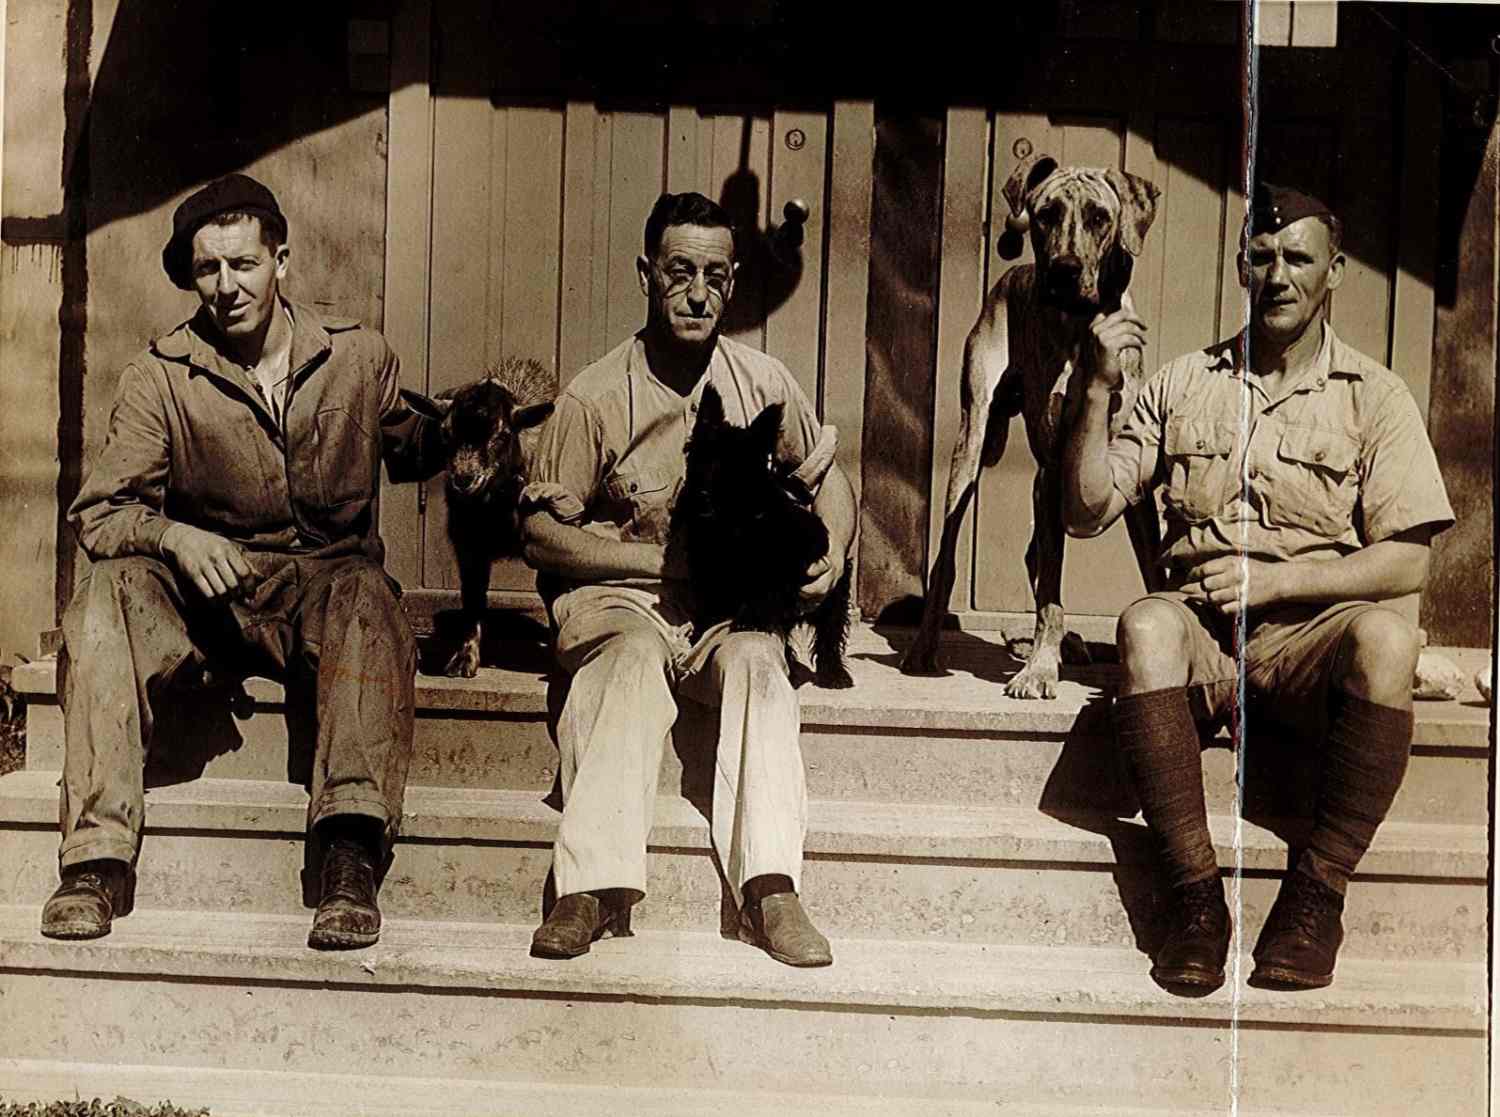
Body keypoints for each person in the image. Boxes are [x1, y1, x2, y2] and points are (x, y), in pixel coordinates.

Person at [1062, 184, 1454, 991]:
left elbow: (1408, 560)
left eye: (1299, 258)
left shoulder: (1373, 397)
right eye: (1263, 257)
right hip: (1205, 633)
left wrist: (1280, 580)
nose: (1279, 275)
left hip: (1312, 641)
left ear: (1335, 271)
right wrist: (1097, 389)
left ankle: (1317, 893)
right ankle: (1195, 897)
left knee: (1389, 638)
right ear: (1242, 265)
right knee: (1144, 626)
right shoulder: (1182, 383)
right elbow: (1085, 508)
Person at [41, 173, 441, 949]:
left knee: (367, 590)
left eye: (244, 265)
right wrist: (175, 538)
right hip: (211, 603)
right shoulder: (162, 375)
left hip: (325, 592)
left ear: (281, 260)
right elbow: (100, 512)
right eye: (207, 269)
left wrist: (467, 429)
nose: (226, 287)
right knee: (105, 593)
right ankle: (95, 861)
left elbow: (413, 442)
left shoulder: (357, 356)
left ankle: (350, 852)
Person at [520, 191, 856, 966]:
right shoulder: (595, 395)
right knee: (632, 665)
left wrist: (831, 553)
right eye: (678, 271)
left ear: (733, 283)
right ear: (647, 275)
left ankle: (771, 888)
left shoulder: (764, 381)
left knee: (760, 666)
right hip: (627, 606)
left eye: (713, 274)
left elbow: (828, 476)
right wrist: (653, 563)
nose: (697, 292)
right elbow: (539, 531)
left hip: (723, 618)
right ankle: (590, 890)